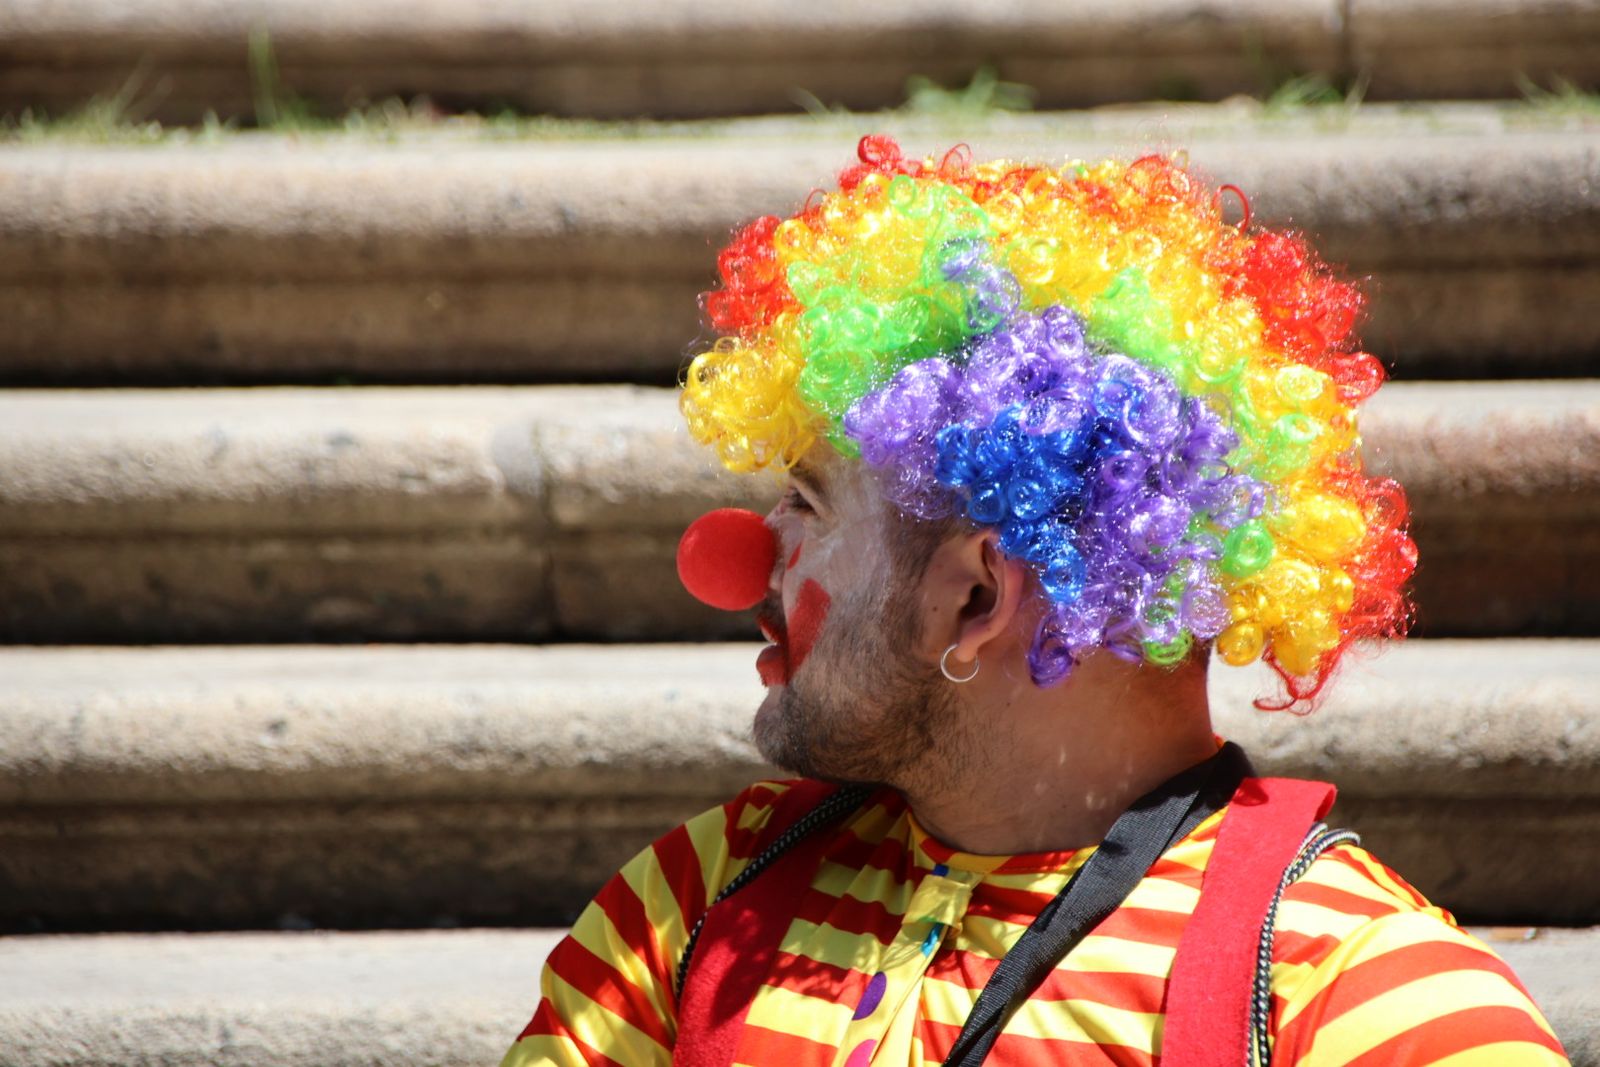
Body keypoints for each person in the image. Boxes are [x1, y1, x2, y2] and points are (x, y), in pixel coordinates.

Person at [500, 138, 1568, 1065]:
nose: (732, 562)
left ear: (975, 595)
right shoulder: (697, 903)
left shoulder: (1355, 997)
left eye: (806, 503)